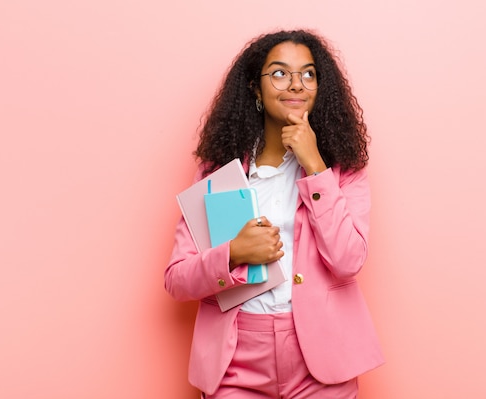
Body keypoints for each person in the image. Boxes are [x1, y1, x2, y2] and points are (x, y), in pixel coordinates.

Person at [165, 29, 384, 398]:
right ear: (255, 87)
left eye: (309, 74)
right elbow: (177, 279)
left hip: (321, 361)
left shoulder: (343, 170)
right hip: (235, 362)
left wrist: (314, 166)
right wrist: (234, 253)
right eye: (280, 73)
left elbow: (348, 260)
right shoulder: (218, 171)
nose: (296, 84)